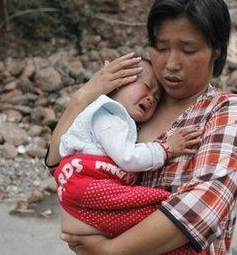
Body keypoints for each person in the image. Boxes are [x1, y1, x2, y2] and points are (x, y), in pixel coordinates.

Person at [45, 0, 237, 254]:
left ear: (215, 51)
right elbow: (62, 167)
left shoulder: (226, 112)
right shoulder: (136, 105)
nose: (170, 64)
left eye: (188, 50)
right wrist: (83, 98)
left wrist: (111, 251)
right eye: (160, 46)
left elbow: (204, 204)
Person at [53, 58, 204, 255]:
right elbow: (127, 158)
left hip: (84, 190)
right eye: (146, 87)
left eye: (156, 99)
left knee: (136, 220)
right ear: (118, 84)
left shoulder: (124, 122)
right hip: (85, 183)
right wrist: (166, 148)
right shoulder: (108, 115)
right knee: (148, 210)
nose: (151, 98)